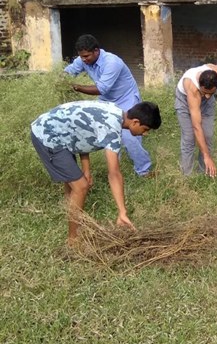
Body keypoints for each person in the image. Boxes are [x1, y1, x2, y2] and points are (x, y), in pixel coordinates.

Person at [31, 100, 162, 245]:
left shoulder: (114, 110)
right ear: (135, 122)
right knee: (80, 187)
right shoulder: (112, 128)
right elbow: (114, 174)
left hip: (61, 134)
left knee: (75, 184)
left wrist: (86, 169)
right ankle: (73, 241)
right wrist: (122, 211)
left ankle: (72, 217)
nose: (145, 134)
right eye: (145, 129)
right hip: (48, 136)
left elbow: (83, 132)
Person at [64, 34, 154, 177]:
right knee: (108, 134)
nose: (84, 59)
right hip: (106, 101)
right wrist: (60, 80)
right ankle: (115, 171)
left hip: (126, 99)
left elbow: (102, 88)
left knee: (129, 136)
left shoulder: (112, 62)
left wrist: (76, 87)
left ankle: (144, 170)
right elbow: (68, 72)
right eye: (81, 57)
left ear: (96, 51)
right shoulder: (83, 60)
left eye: (87, 56)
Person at [175, 63, 217, 177]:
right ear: (200, 84)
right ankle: (187, 175)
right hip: (185, 101)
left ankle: (205, 173)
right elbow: (196, 126)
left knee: (207, 135)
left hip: (205, 104)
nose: (207, 97)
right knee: (189, 137)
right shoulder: (192, 86)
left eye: (211, 93)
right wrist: (207, 156)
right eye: (205, 93)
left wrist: (207, 94)